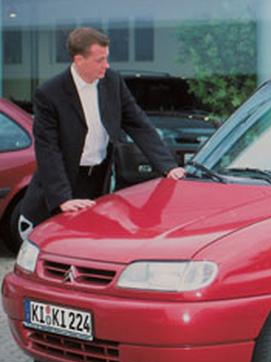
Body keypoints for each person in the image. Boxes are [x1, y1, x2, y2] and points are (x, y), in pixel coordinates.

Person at [18, 27, 185, 238]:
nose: (106, 65)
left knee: (92, 244)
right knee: (58, 246)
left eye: (106, 58)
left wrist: (168, 166)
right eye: (100, 60)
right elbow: (48, 149)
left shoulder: (112, 81)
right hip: (63, 181)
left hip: (98, 179)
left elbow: (138, 123)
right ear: (79, 60)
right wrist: (63, 198)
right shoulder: (49, 93)